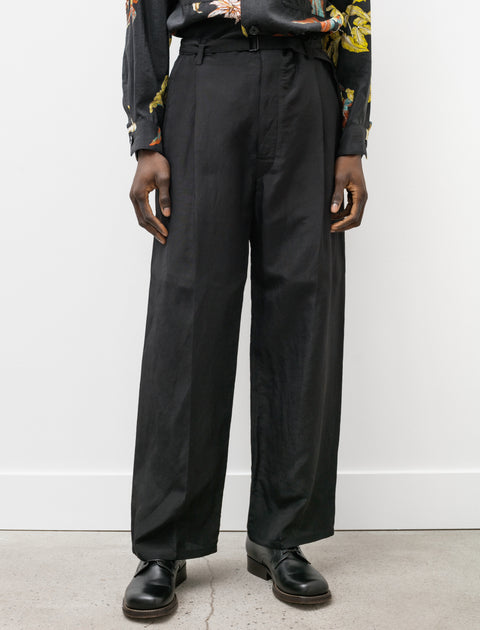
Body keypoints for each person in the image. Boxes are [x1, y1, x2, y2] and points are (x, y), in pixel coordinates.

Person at [121, 0, 371, 619]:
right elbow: (146, 14)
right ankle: (165, 544)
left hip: (306, 85)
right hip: (206, 83)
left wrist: (352, 138)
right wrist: (146, 137)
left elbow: (355, 12)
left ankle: (282, 536)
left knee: (303, 311)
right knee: (187, 318)